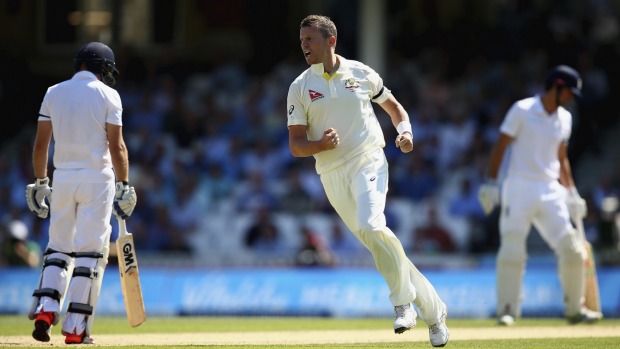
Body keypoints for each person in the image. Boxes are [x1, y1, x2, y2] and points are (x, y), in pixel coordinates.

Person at [286, 15, 448, 347]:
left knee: (372, 225)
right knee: (378, 242)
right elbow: (296, 145)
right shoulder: (300, 86)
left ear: (331, 41)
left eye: (310, 40)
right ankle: (435, 313)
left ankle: (402, 303)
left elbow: (395, 109)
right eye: (302, 40)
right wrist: (321, 145)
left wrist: (405, 133)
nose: (304, 45)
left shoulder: (361, 73)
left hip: (368, 160)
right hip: (331, 174)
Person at [25, 42, 137, 344]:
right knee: (90, 252)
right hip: (96, 179)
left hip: (62, 178)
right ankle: (75, 328)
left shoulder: (53, 92)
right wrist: (124, 184)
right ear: (103, 68)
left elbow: (40, 146)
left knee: (58, 248)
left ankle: (46, 309)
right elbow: (117, 147)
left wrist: (40, 182)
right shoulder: (109, 95)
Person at [477, 65, 603, 326]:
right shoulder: (522, 110)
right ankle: (507, 309)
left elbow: (561, 158)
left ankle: (574, 308)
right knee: (512, 250)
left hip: (550, 191)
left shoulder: (565, 118)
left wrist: (572, 192)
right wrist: (491, 182)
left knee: (572, 250)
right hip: (519, 188)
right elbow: (501, 146)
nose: (570, 98)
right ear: (556, 86)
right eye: (568, 92)